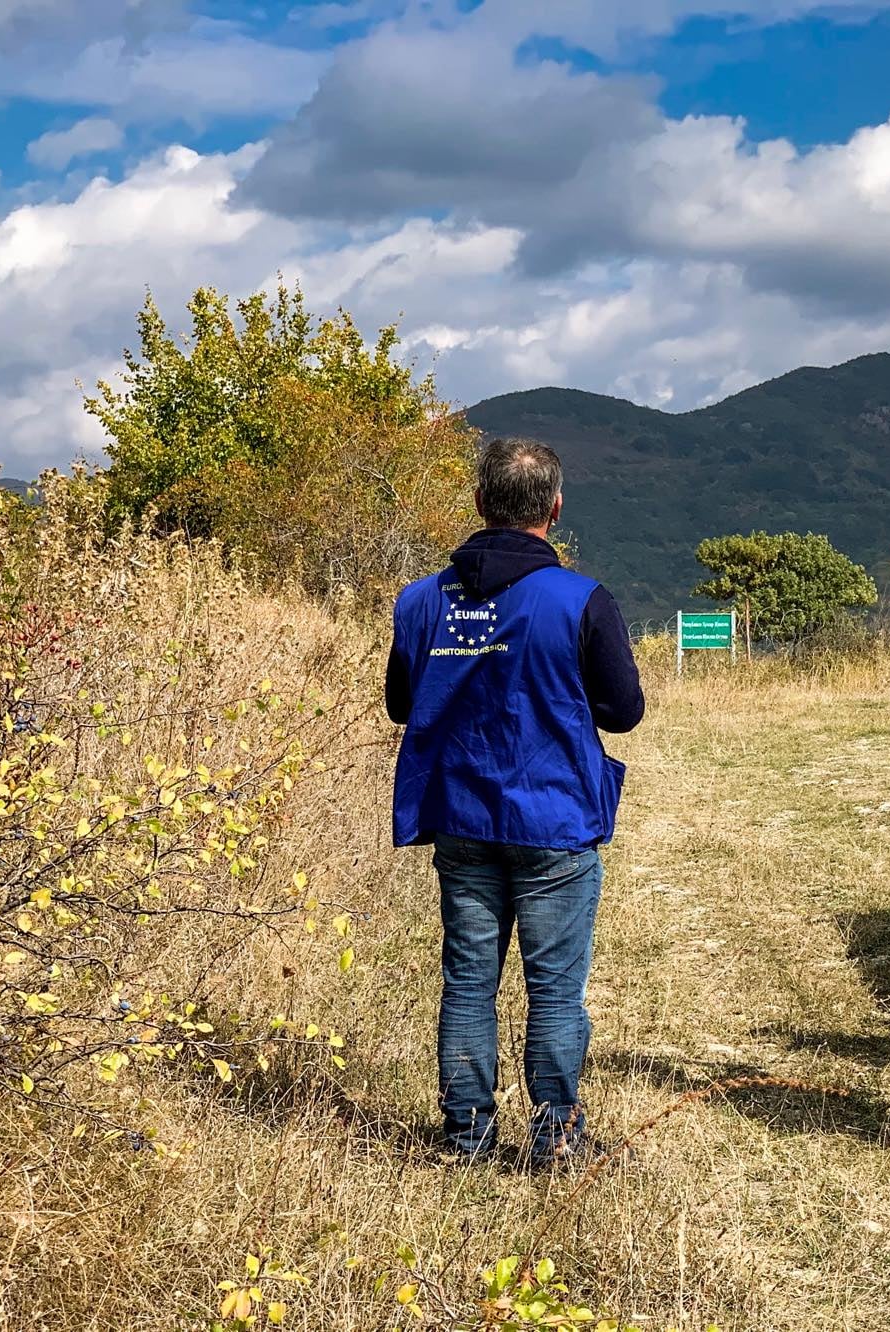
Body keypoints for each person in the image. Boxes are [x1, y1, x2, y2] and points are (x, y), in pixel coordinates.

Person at [386, 437, 645, 1167]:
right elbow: (623, 712)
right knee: (555, 991)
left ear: (478, 503)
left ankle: (465, 1138)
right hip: (554, 822)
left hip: (461, 819)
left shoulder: (420, 601)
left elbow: (402, 703)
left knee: (469, 980)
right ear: (554, 510)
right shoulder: (581, 600)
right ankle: (557, 1141)